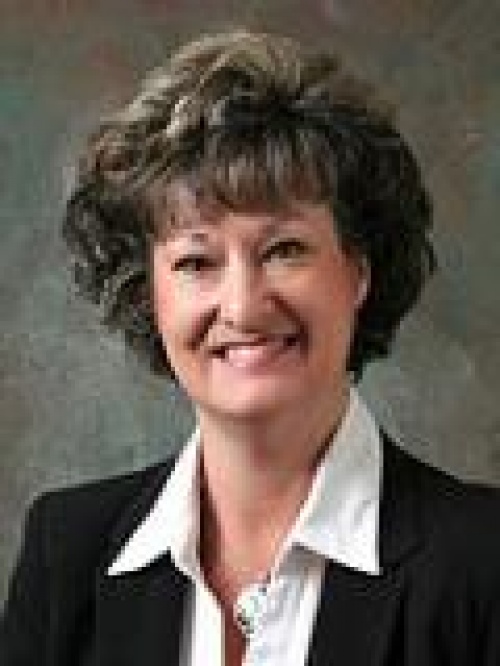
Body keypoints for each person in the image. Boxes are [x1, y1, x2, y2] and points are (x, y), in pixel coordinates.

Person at [1, 28, 499, 666]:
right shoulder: (66, 553)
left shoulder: (483, 562)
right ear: (146, 289)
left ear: (359, 271)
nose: (242, 307)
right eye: (196, 261)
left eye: (284, 250)